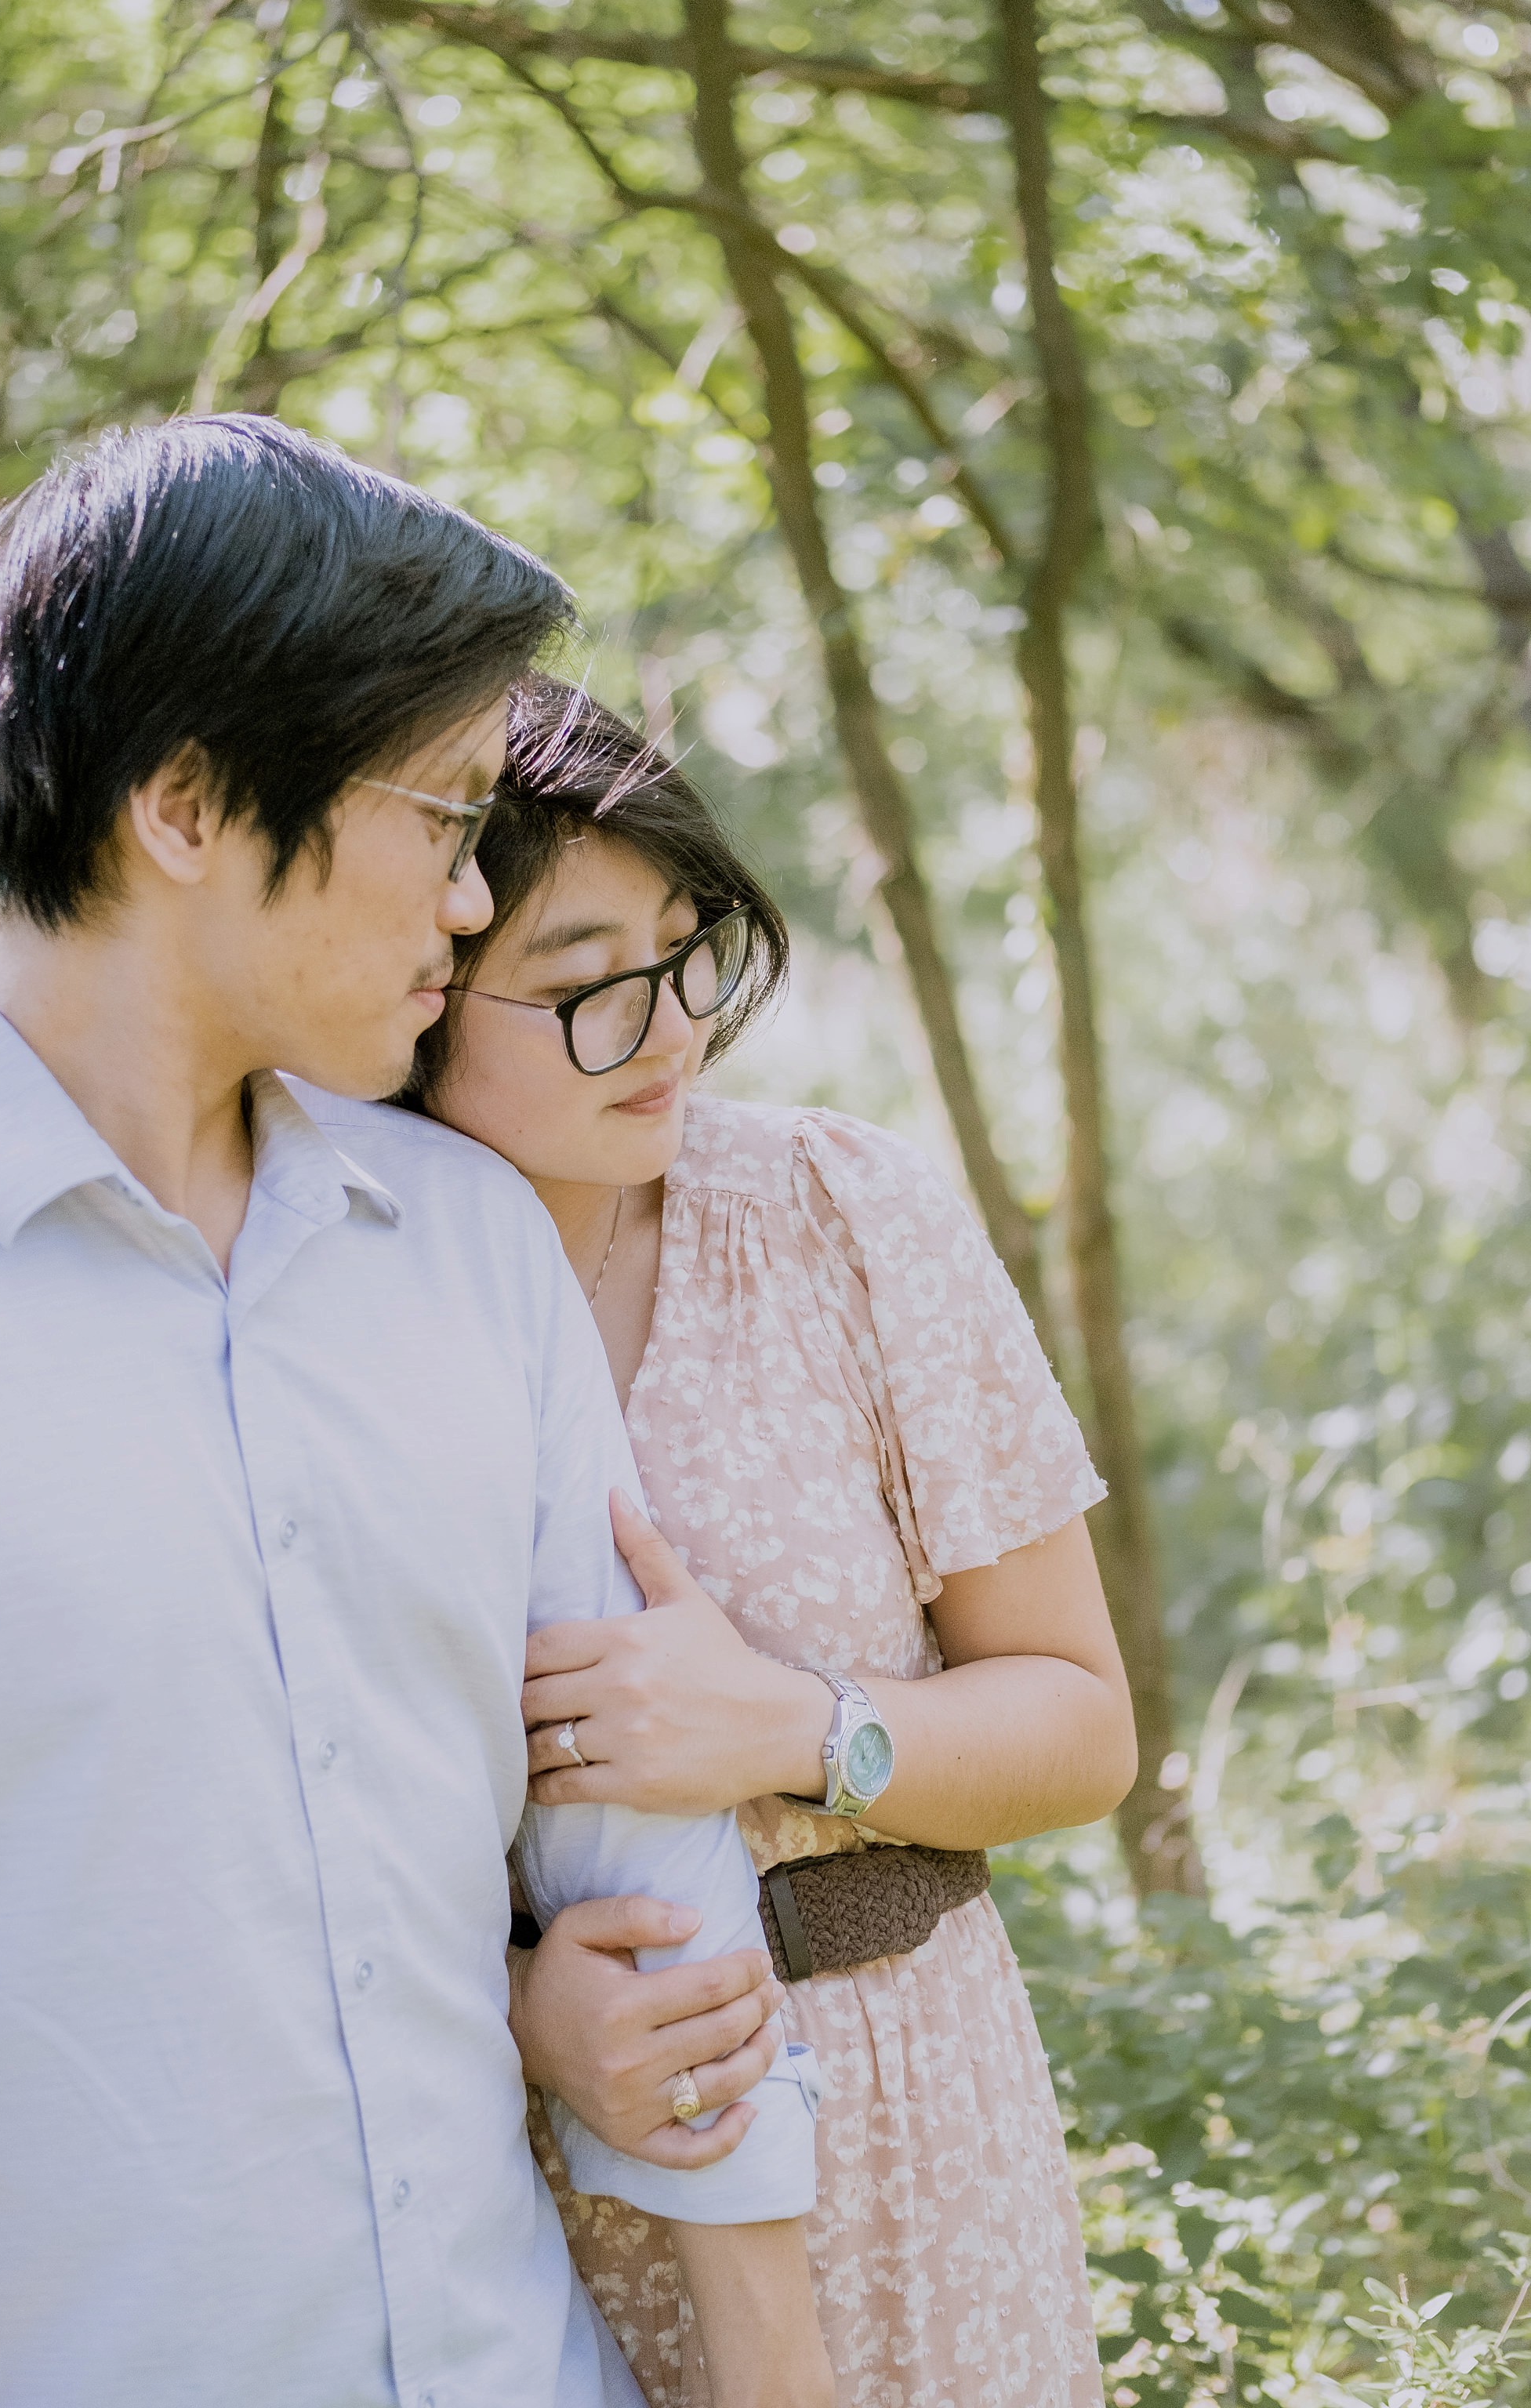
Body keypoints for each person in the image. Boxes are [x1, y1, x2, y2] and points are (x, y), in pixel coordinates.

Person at [0, 418, 833, 2408]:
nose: (464, 902)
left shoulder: (466, 1251)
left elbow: (643, 1874)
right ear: (181, 801)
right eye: (441, 820)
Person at [405, 676, 1140, 2408]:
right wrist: (524, 2007)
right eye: (585, 983)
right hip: (510, 2164)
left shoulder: (837, 1212)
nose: (666, 1027)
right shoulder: (337, 1295)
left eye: (688, 949)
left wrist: (802, 1725)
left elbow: (1081, 1723)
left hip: (916, 2122)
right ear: (420, 986)